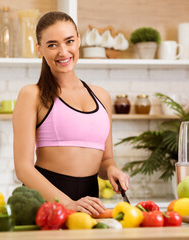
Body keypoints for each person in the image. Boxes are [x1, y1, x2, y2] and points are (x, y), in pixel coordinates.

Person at [13, 11, 130, 216]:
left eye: (69, 41)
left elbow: (105, 160)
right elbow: (23, 168)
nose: (63, 51)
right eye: (52, 44)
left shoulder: (101, 96)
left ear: (79, 42)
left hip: (89, 202)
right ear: (40, 49)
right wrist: (66, 204)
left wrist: (112, 170)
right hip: (47, 203)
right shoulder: (32, 95)